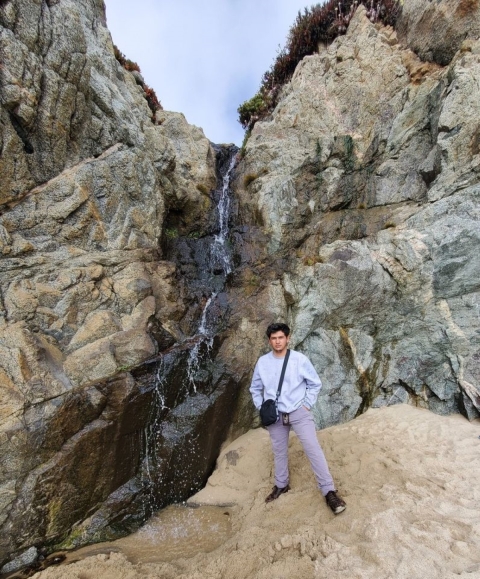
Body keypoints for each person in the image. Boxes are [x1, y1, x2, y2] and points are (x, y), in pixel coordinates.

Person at [250, 322, 346, 514]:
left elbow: (314, 383)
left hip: (298, 411)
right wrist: (262, 407)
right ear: (269, 341)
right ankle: (281, 484)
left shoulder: (299, 359)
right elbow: (255, 388)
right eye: (274, 338)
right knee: (279, 451)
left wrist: (306, 405)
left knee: (313, 449)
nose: (277, 342)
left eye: (281, 338)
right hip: (275, 414)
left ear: (288, 338)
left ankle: (329, 492)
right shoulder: (263, 362)